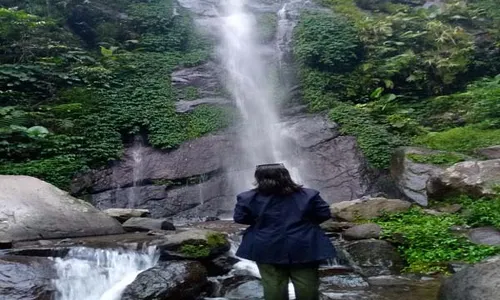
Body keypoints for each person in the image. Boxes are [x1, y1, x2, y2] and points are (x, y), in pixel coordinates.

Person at [233, 163, 336, 300]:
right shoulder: (309, 195)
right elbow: (324, 214)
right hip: (304, 244)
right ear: (287, 176)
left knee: (273, 286)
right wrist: (305, 224)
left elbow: (240, 218)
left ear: (258, 178)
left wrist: (261, 224)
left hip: (265, 245)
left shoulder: (246, 198)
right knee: (307, 286)